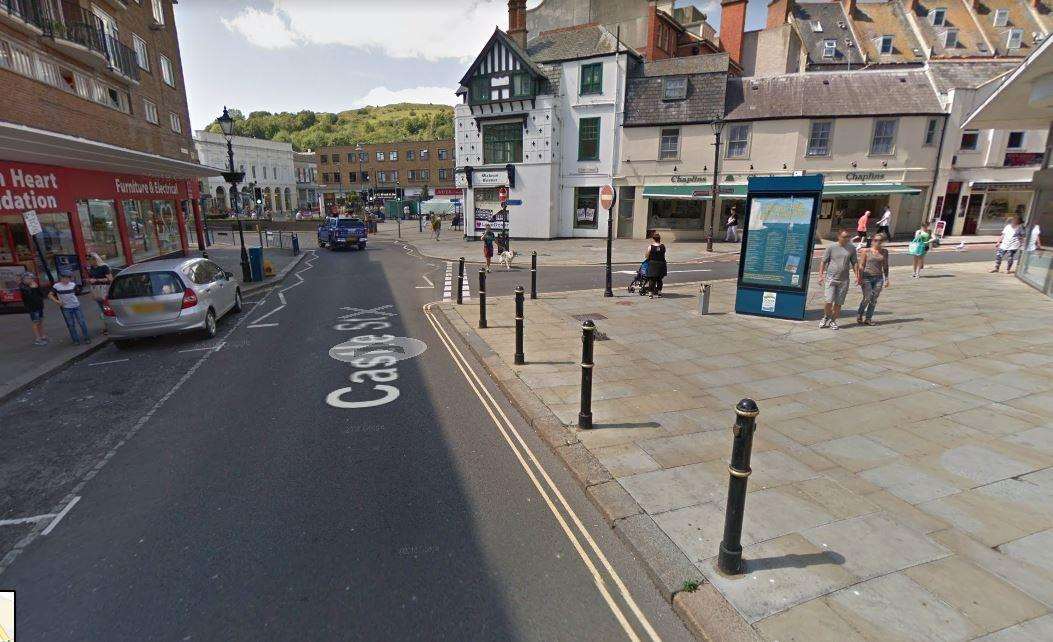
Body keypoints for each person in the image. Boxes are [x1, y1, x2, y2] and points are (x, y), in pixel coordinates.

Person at [818, 230, 860, 330]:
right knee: (828, 301)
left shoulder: (851, 248)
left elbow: (854, 263)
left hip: (844, 280)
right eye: (844, 237)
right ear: (839, 237)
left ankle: (833, 321)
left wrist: (857, 276)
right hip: (831, 278)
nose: (847, 239)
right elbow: (823, 262)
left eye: (848, 237)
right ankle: (826, 317)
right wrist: (820, 275)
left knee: (838, 302)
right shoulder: (831, 247)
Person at [856, 233, 890, 326]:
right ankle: (859, 314)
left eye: (879, 241)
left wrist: (886, 279)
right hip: (866, 277)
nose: (876, 242)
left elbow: (885, 266)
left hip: (879, 278)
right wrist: (859, 278)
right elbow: (861, 265)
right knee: (867, 297)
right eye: (875, 240)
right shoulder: (865, 251)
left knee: (874, 299)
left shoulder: (884, 252)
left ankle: (868, 318)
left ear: (882, 242)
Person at [49, 271, 90, 345]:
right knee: (71, 324)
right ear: (61, 278)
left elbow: (77, 293)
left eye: (68, 278)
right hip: (66, 308)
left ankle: (87, 338)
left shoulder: (73, 285)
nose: (67, 280)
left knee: (82, 322)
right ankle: (75, 340)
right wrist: (58, 302)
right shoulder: (56, 286)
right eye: (65, 278)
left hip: (76, 306)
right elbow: (50, 295)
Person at [18, 272, 49, 346]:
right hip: (32, 307)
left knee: (40, 321)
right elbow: (30, 297)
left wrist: (37, 287)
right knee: (36, 322)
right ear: (24, 279)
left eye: (32, 278)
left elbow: (41, 294)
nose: (31, 280)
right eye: (29, 278)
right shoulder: (23, 287)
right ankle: (38, 339)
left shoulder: (34, 285)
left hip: (39, 306)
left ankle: (43, 336)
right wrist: (33, 288)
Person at [86, 253, 113, 317]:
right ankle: (105, 316)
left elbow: (110, 279)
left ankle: (110, 316)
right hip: (95, 289)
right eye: (88, 260)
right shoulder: (91, 268)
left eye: (90, 260)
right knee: (101, 305)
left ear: (96, 260)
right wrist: (89, 280)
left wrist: (97, 280)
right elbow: (91, 277)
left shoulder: (103, 267)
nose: (89, 262)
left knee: (107, 305)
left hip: (104, 288)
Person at [644, 233, 667, 298]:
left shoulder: (650, 247)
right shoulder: (663, 246)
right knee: (659, 279)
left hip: (653, 264)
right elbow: (663, 255)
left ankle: (650, 294)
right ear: (659, 239)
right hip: (661, 264)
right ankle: (659, 293)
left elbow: (646, 256)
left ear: (653, 239)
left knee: (652, 279)